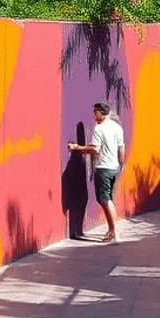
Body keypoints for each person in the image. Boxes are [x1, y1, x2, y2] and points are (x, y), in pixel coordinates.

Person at [67, 101, 125, 243]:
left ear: (101, 112)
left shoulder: (99, 129)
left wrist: (76, 147)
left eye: (95, 112)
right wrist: (120, 166)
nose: (93, 115)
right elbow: (121, 148)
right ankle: (112, 229)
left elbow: (95, 149)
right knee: (107, 199)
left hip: (104, 168)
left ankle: (114, 231)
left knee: (104, 200)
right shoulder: (117, 127)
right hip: (114, 168)